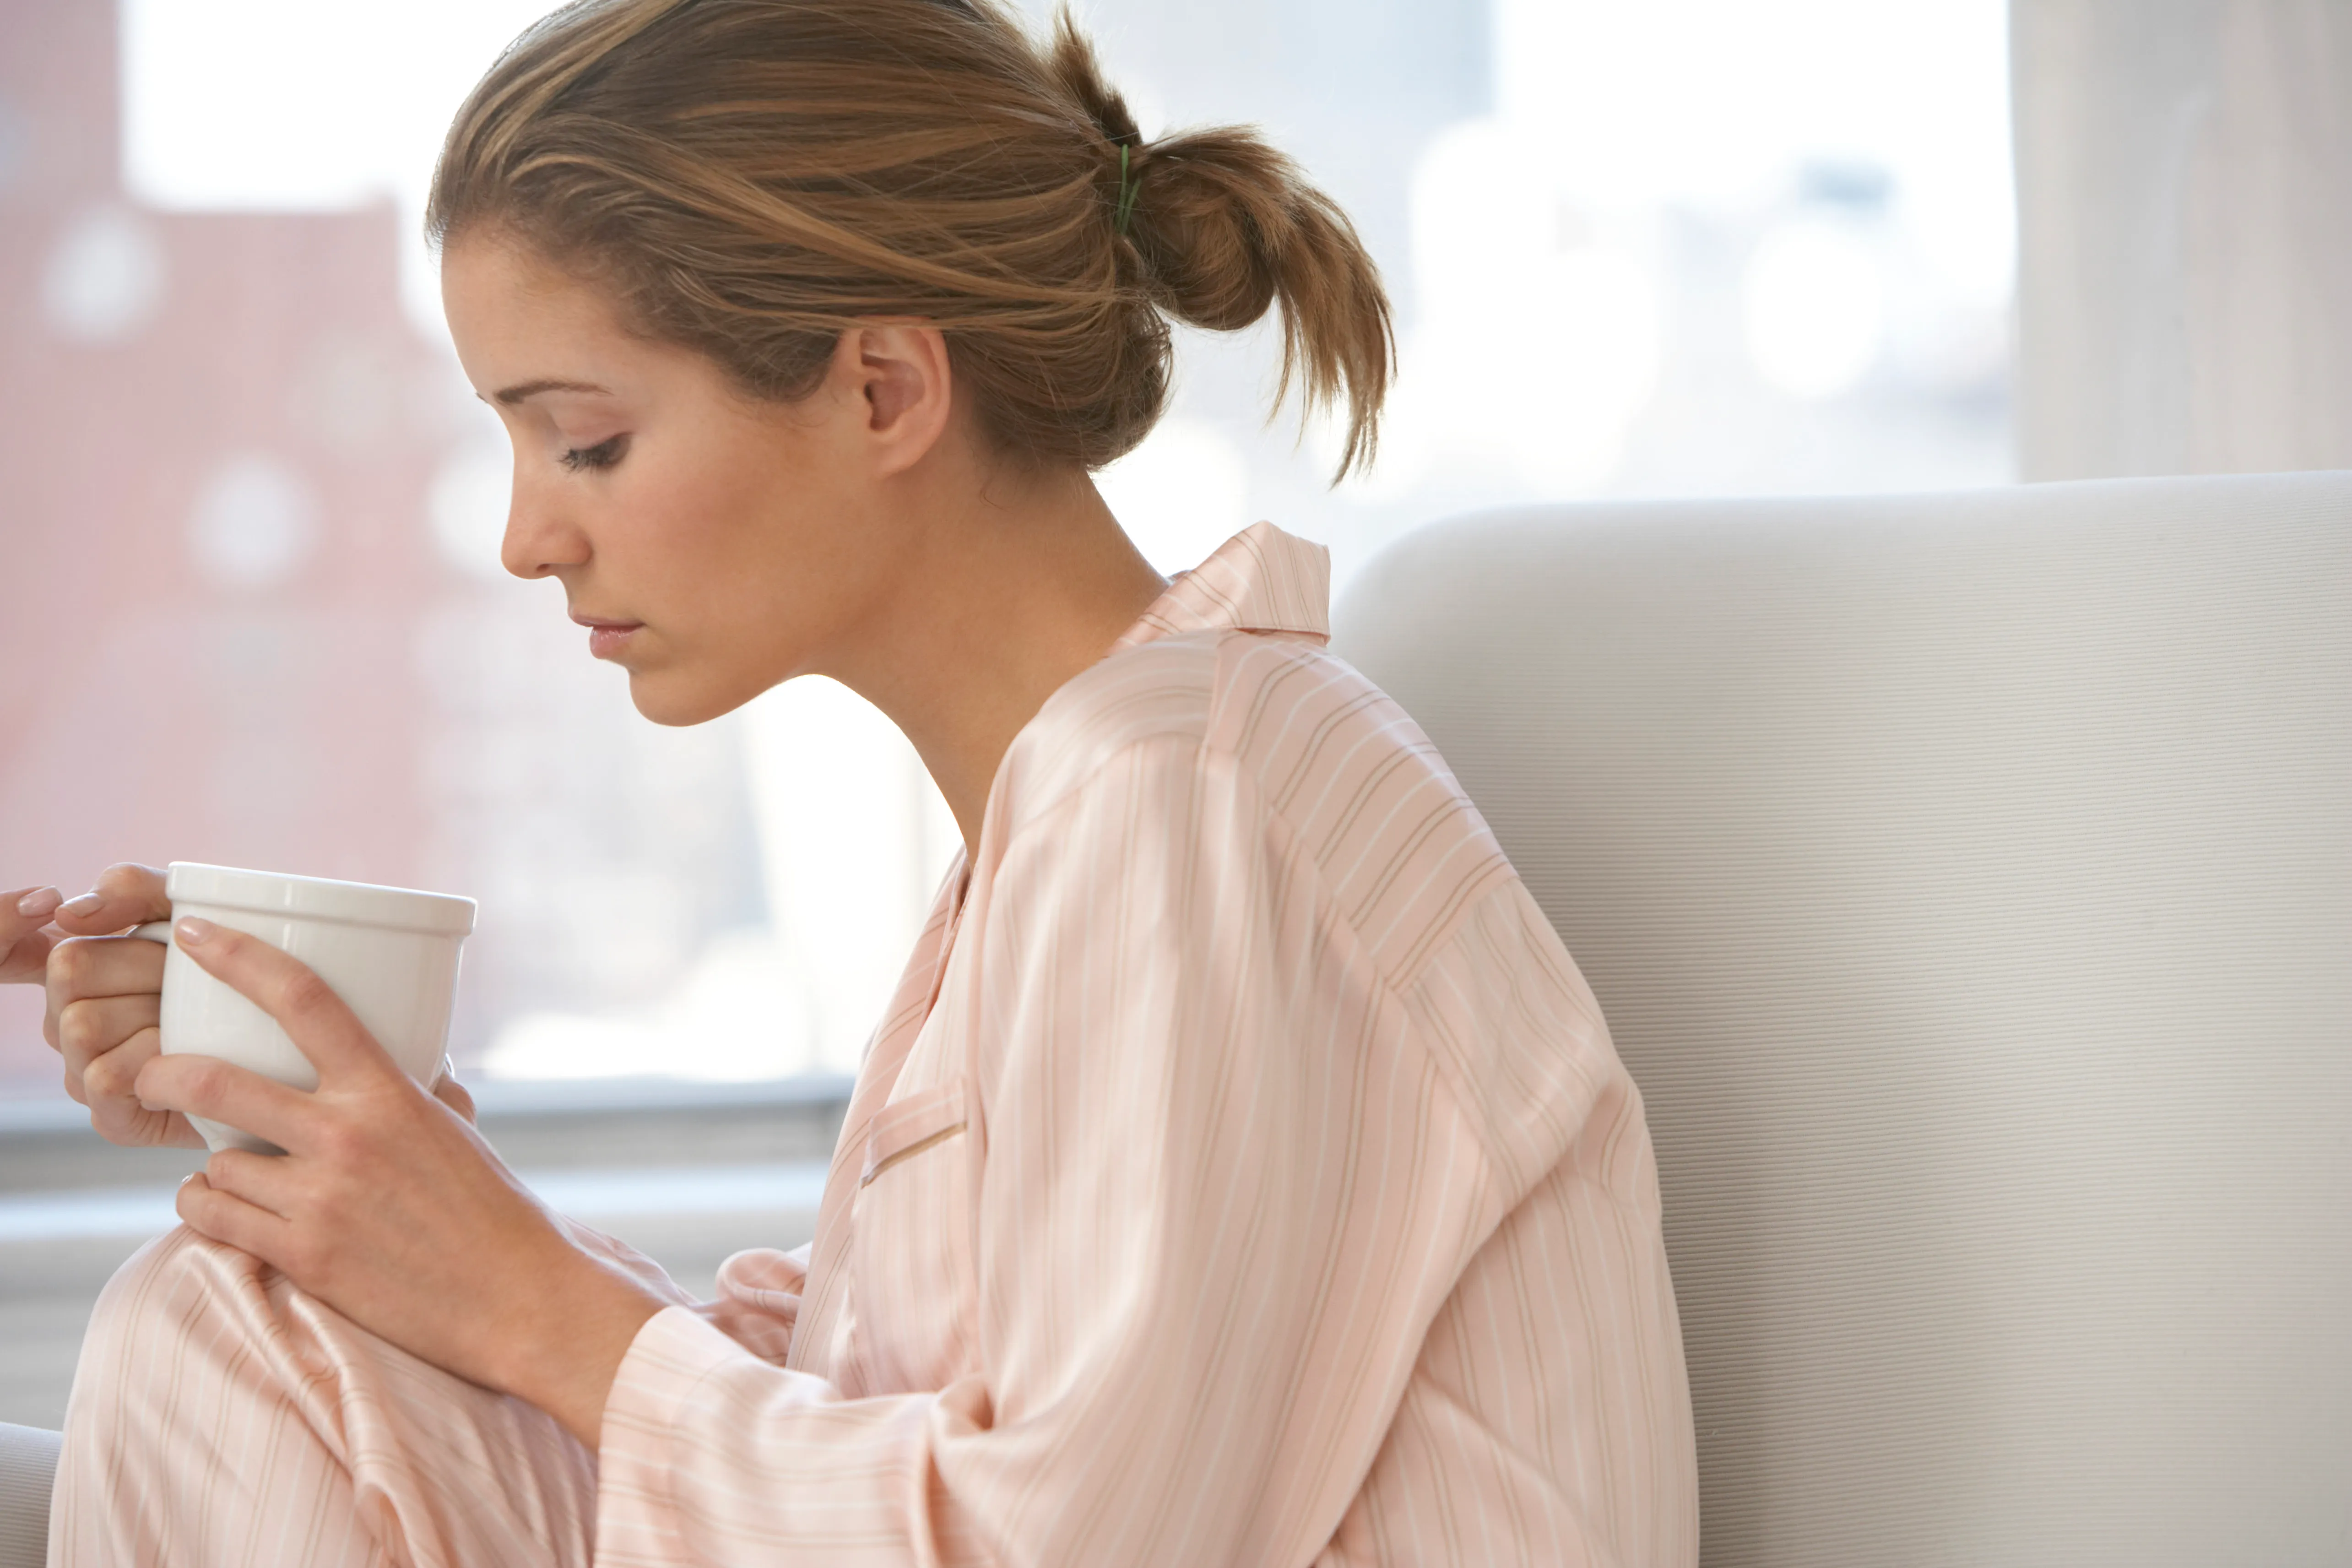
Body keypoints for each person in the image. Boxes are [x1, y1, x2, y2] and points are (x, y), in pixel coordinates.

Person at [0, 0, 1698, 1561]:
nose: (528, 537)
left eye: (586, 440)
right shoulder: (1079, 821)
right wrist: (353, 1163)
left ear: (882, 386)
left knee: (210, 1332)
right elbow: (857, 1404)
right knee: (240, 1318)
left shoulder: (1190, 806)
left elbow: (1050, 1542)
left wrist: (515, 1295)